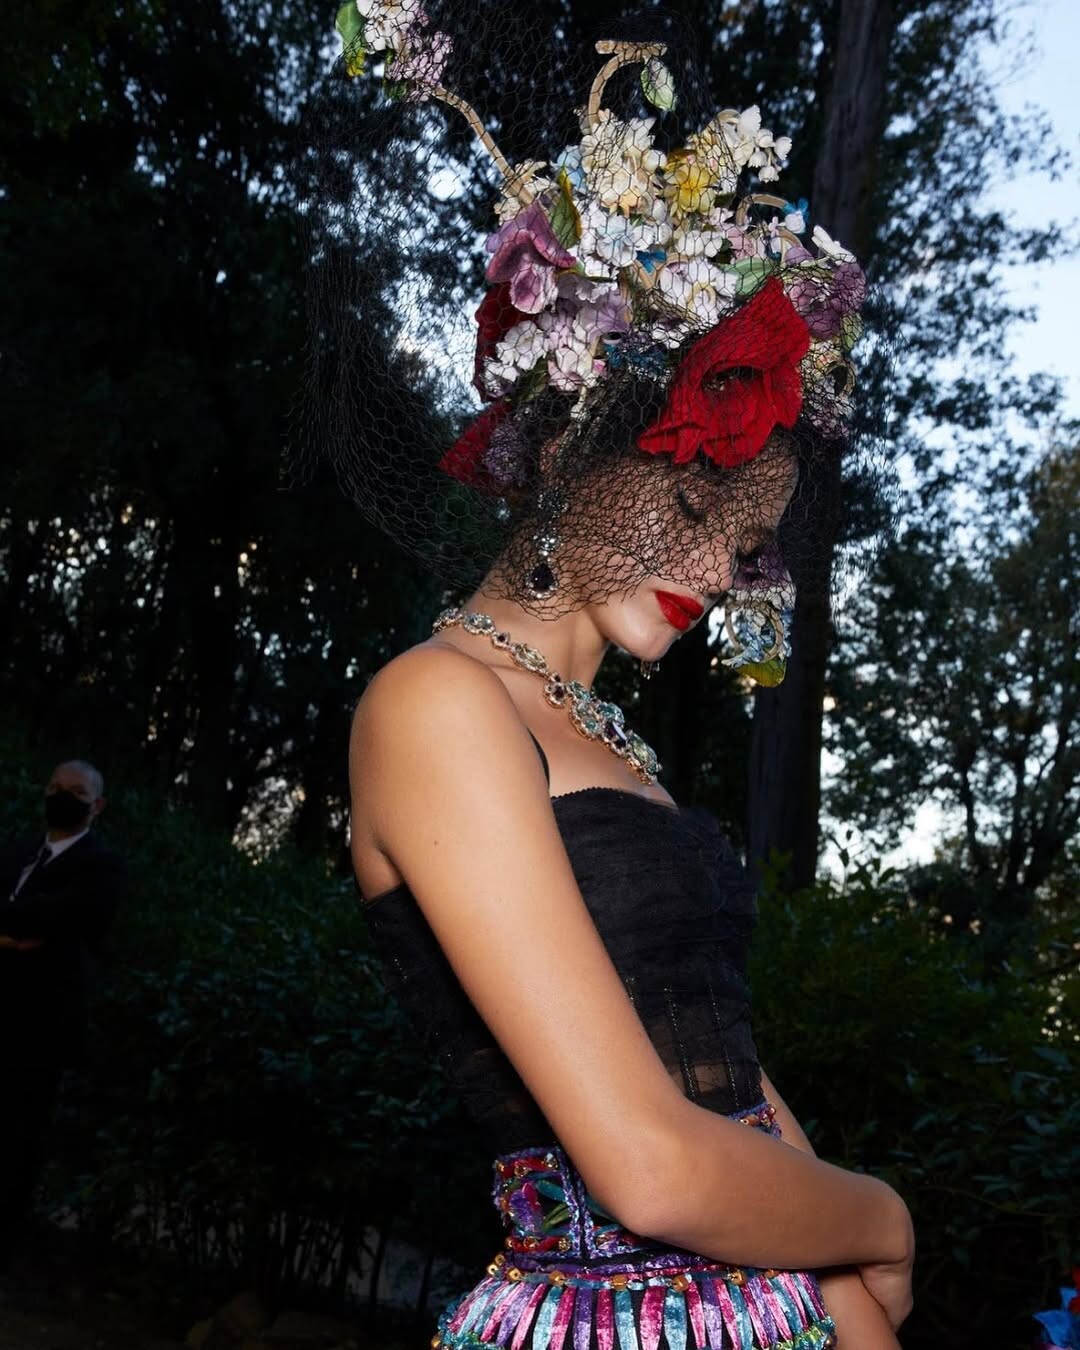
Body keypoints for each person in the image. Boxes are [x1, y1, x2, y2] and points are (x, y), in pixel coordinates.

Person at [302, 6, 909, 1346]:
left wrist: (852, 1301)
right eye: (690, 504)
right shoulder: (437, 706)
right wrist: (883, 1220)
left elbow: (729, 1089)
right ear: (575, 449)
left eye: (741, 543)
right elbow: (649, 1166)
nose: (716, 569)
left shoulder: (607, 740)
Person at [0, 759, 127, 1269]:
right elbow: (33, 918)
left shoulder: (102, 866)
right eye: (54, 787)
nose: (61, 796)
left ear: (97, 805)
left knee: (17, 1138)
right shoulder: (14, 852)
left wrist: (26, 922)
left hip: (38, 1026)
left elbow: (65, 917)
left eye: (75, 791)